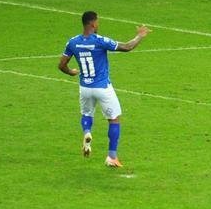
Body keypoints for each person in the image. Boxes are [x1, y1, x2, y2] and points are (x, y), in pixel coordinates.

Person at [57, 10, 151, 168]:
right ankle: (112, 157)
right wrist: (140, 35)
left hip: (85, 87)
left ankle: (87, 131)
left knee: (87, 114)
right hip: (102, 88)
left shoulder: (72, 42)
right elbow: (127, 47)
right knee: (114, 119)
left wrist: (72, 72)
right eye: (98, 22)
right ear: (93, 23)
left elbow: (61, 65)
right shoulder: (100, 41)